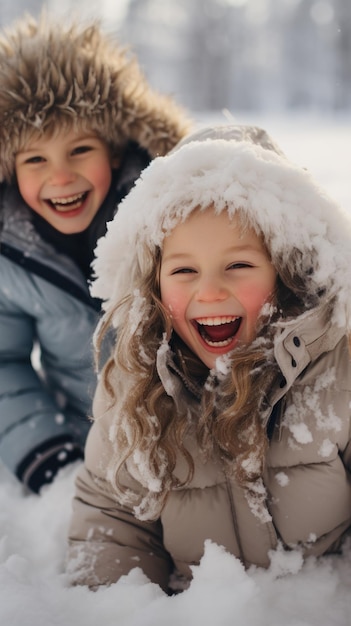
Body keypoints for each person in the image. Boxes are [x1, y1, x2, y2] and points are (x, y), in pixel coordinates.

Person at [66, 124, 351, 593]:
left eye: (238, 265)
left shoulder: (335, 367)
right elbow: (113, 520)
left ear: (285, 273)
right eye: (184, 270)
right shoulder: (133, 386)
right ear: (153, 284)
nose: (211, 290)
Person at [0, 12, 190, 494]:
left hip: (190, 442)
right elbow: (4, 362)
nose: (60, 177)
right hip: (88, 441)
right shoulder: (10, 254)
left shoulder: (171, 218)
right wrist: (45, 449)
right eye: (35, 159)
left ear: (114, 151)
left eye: (79, 149)